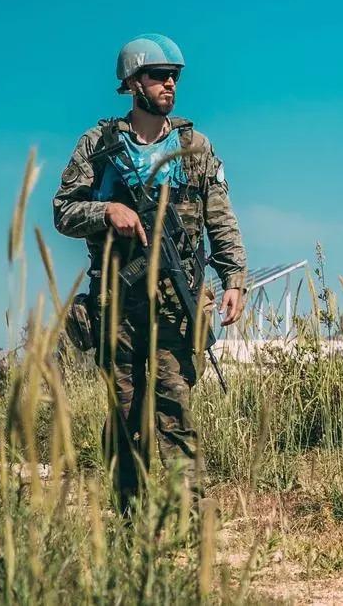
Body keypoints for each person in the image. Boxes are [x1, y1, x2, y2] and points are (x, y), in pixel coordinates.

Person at [52, 33, 247, 512]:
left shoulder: (194, 147)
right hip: (117, 302)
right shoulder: (98, 146)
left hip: (177, 302)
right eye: (159, 76)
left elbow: (220, 218)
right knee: (124, 412)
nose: (169, 85)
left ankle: (187, 516)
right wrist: (107, 212)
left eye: (174, 77)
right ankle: (127, 516)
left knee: (174, 406)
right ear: (133, 82)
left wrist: (235, 279)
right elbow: (62, 212)